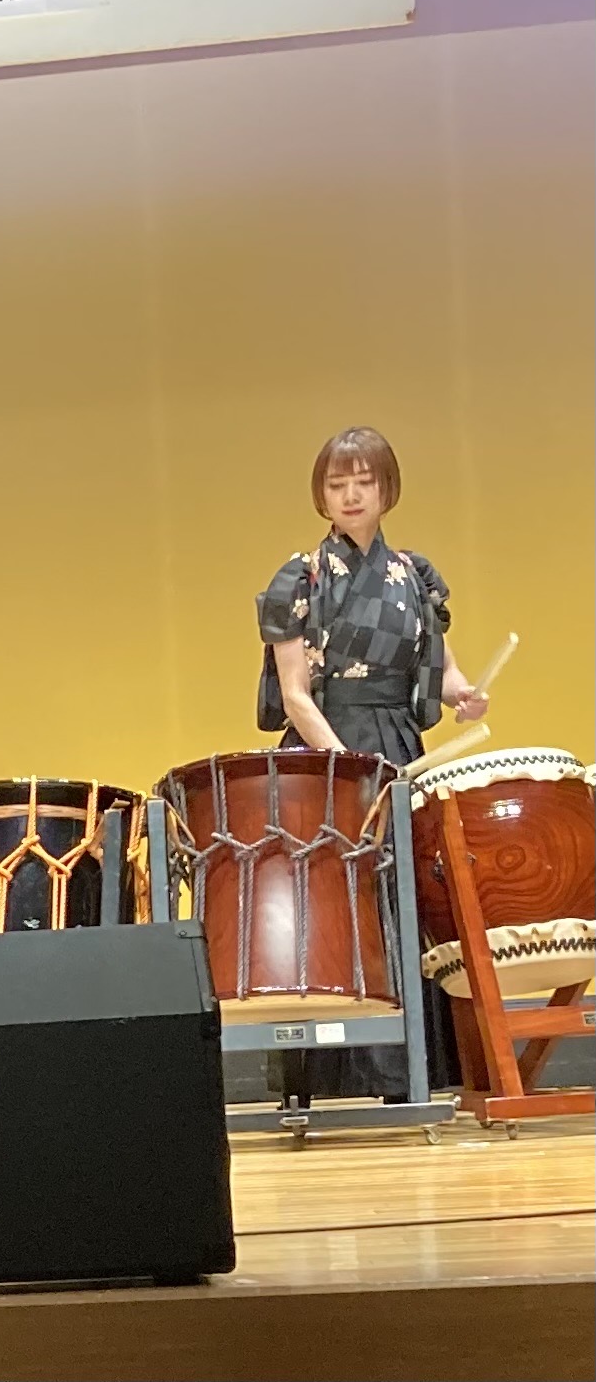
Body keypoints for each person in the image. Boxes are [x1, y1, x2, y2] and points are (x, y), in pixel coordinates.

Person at [256, 427, 487, 1104]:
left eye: (364, 481)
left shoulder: (413, 575)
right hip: (324, 752)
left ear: (387, 490)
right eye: (337, 483)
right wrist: (345, 762)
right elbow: (295, 693)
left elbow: (437, 665)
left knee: (403, 900)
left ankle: (406, 1075)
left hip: (397, 749)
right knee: (330, 905)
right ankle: (318, 1077)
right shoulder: (299, 578)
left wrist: (465, 694)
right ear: (321, 495)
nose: (351, 494)